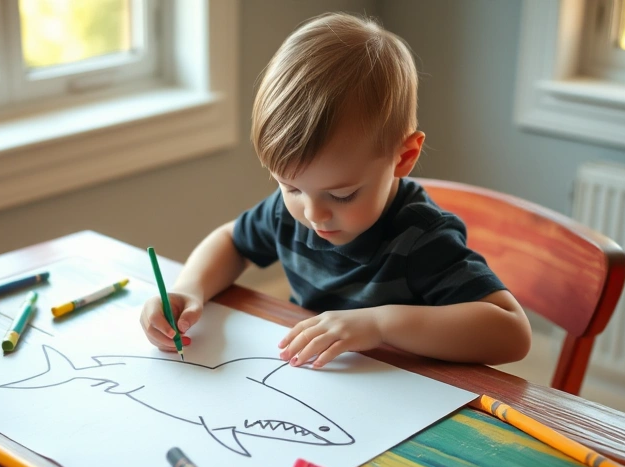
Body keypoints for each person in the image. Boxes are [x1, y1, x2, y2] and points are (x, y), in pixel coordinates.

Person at [140, 13, 531, 368]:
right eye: (291, 187)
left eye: (342, 195)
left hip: (402, 398)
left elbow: (512, 333)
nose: (313, 214)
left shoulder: (420, 238)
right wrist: (189, 289)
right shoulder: (286, 211)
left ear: (403, 156)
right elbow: (233, 241)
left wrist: (379, 323)